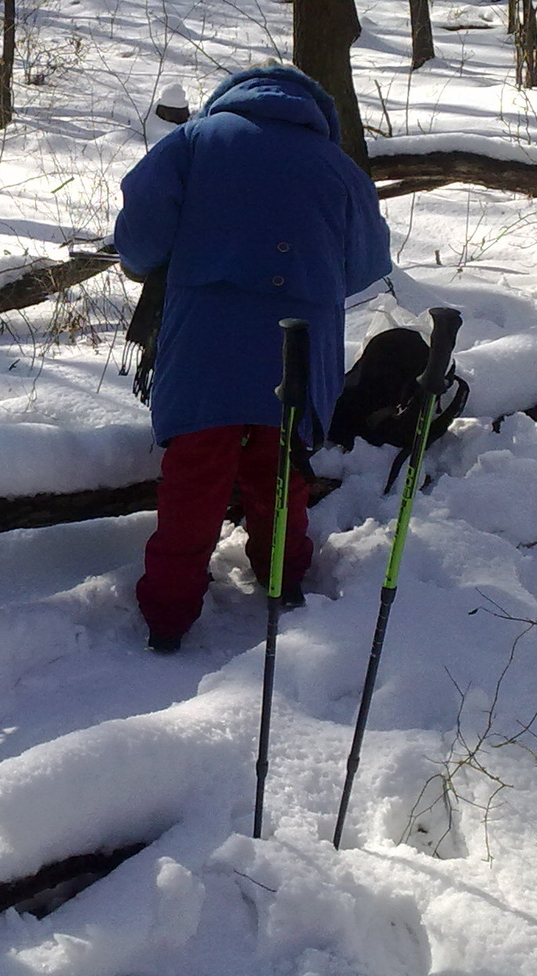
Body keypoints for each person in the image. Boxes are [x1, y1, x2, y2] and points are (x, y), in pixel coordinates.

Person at [113, 64, 393, 652]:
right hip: (298, 344)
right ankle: (283, 580)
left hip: (204, 343)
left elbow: (139, 234)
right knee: (281, 467)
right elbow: (365, 265)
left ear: (232, 99)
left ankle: (167, 615)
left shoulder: (194, 142)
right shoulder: (339, 168)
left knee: (194, 474)